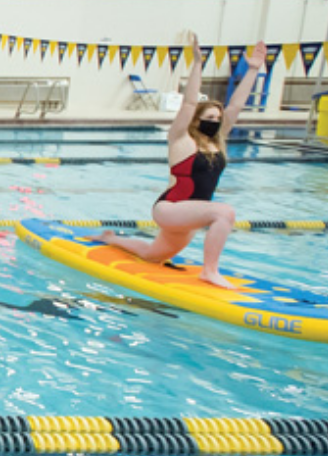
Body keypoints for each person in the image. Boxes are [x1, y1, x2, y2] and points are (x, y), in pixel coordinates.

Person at [90, 35, 266, 289]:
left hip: (190, 216)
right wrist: (197, 64)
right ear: (196, 119)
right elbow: (190, 102)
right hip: (171, 209)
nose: (216, 121)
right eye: (210, 117)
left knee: (153, 254)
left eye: (218, 117)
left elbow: (237, 105)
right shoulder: (181, 139)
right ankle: (210, 271)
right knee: (225, 213)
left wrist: (252, 70)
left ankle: (111, 238)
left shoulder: (217, 142)